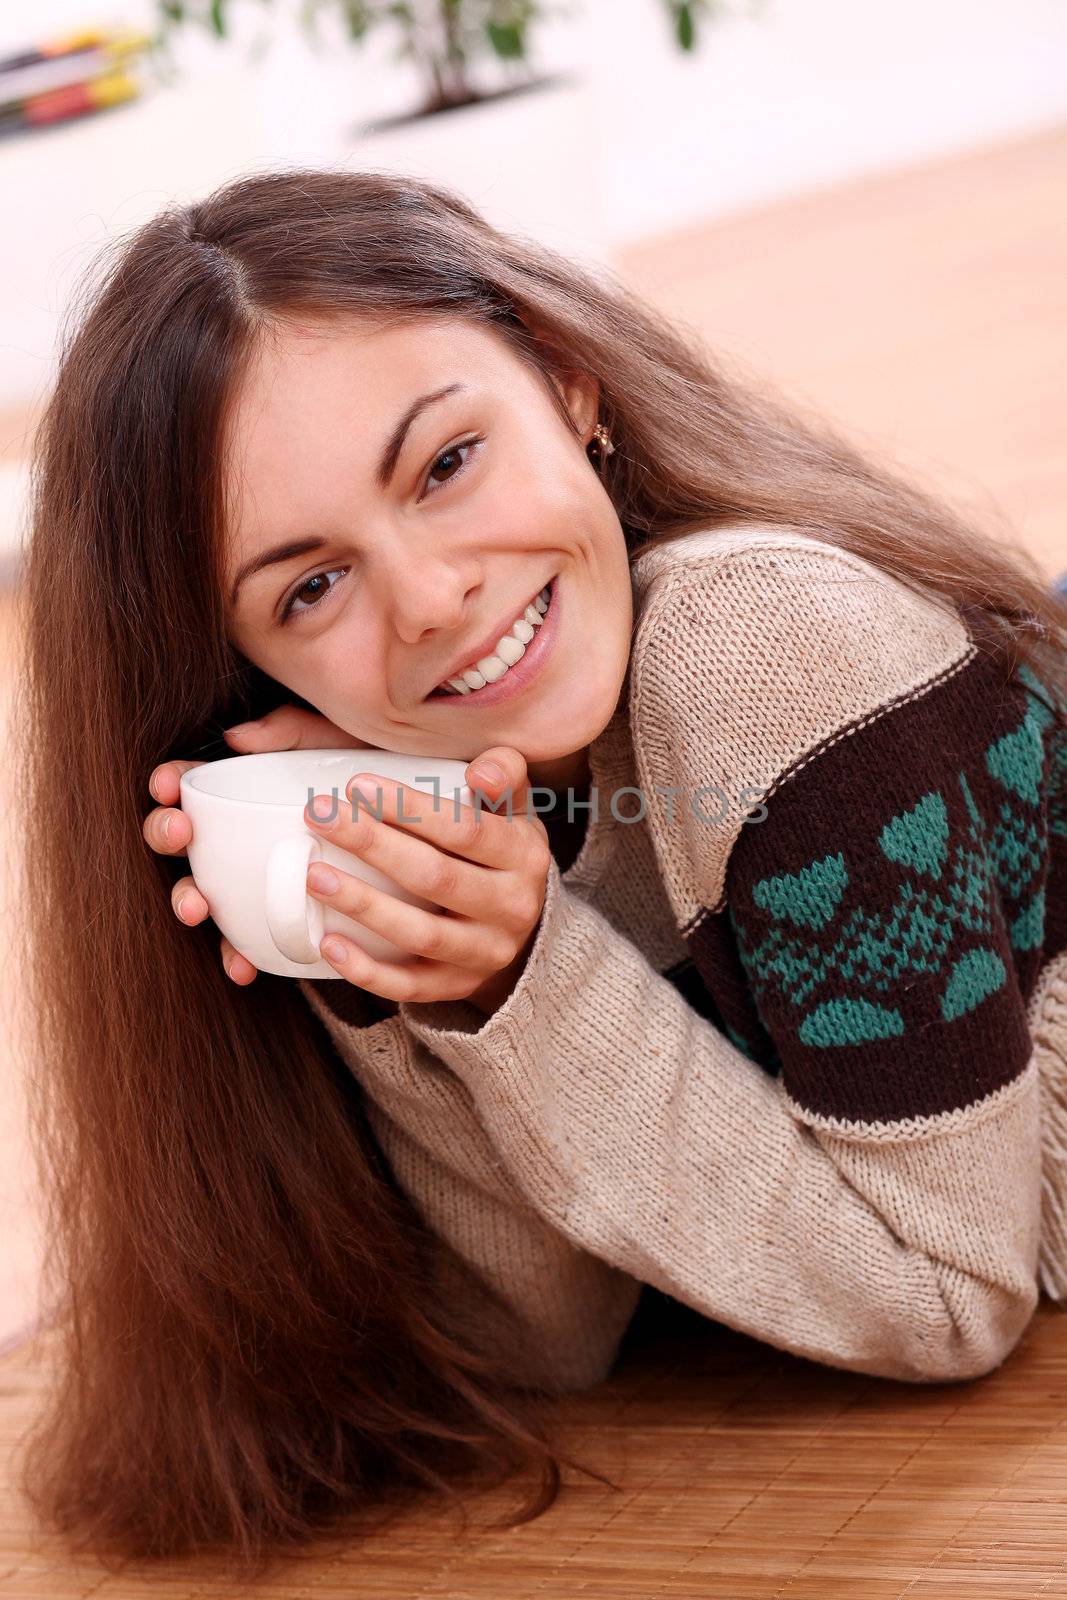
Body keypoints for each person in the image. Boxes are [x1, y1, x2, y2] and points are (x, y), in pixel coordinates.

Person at [11, 166, 1066, 1580]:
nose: (433, 594)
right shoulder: (474, 789)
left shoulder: (755, 641)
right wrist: (412, 959)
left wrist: (536, 974)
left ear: (565, 379)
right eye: (310, 588)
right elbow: (555, 1337)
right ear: (247, 667)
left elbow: (953, 1295)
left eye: (445, 463)